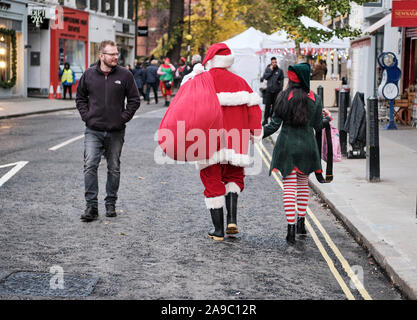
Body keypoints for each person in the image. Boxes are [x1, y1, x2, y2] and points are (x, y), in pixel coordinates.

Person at [196, 43, 263, 241]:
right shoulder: (241, 82)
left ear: (210, 60)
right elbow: (254, 110)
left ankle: (218, 231)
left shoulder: (202, 80)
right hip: (237, 139)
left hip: (207, 139)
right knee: (234, 177)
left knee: (212, 180)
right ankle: (232, 220)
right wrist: (255, 132)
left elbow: (189, 110)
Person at [262, 63, 331, 244]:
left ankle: (290, 229)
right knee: (302, 185)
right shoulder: (315, 98)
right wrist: (327, 118)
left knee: (289, 187)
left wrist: (257, 134)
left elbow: (274, 125)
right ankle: (301, 224)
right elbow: (318, 126)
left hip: (287, 146)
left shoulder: (283, 96)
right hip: (307, 147)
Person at [75, 40, 140, 222]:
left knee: (114, 168)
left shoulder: (125, 75)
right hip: (93, 129)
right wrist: (87, 117)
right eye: (111, 54)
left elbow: (134, 100)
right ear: (101, 56)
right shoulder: (89, 75)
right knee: (90, 165)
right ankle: (91, 207)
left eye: (117, 54)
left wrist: (122, 118)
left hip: (115, 131)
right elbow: (80, 98)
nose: (116, 57)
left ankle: (110, 203)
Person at [261, 57, 284, 125]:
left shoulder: (280, 71)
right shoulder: (268, 69)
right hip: (269, 91)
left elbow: (282, 79)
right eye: (273, 62)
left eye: (275, 62)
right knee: (267, 106)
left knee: (274, 106)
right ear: (271, 63)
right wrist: (270, 71)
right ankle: (265, 120)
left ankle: (272, 118)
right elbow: (264, 77)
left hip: (276, 91)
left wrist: (280, 88)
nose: (274, 63)